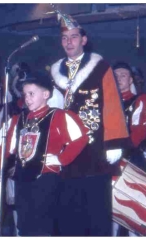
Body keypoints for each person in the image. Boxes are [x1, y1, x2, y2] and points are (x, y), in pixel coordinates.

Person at [50, 9, 129, 236]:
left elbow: (112, 103)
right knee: (68, 210)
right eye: (64, 38)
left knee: (96, 211)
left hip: (95, 149)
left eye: (74, 37)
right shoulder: (56, 71)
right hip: (67, 150)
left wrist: (114, 141)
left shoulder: (100, 67)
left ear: (83, 40)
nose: (69, 42)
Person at [0, 72, 89, 236]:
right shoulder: (18, 119)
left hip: (46, 177)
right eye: (25, 95)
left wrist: (61, 159)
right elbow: (6, 148)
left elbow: (81, 139)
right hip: (22, 178)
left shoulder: (58, 116)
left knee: (42, 225)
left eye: (32, 94)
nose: (27, 98)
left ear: (46, 94)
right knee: (24, 224)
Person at [112, 61, 146, 236]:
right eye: (115, 75)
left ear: (131, 79)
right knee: (111, 214)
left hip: (131, 160)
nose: (119, 79)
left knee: (133, 214)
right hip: (108, 162)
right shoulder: (106, 103)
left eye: (123, 75)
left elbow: (140, 129)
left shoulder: (139, 100)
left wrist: (122, 149)